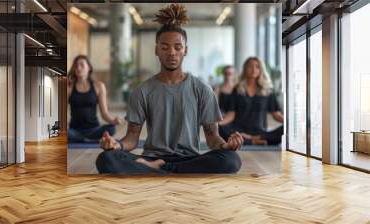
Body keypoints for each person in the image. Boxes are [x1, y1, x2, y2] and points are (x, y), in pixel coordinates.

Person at [95, 4, 244, 174]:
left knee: (231, 160)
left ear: (185, 51)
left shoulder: (203, 89)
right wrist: (117, 145)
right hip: (152, 157)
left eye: (177, 47)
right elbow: (132, 138)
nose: (171, 52)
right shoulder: (142, 91)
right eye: (165, 47)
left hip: (190, 158)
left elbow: (212, 137)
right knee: (106, 159)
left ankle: (157, 171)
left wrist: (225, 146)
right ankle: (170, 171)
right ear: (156, 50)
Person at [219, 57, 284, 145]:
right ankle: (251, 141)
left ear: (261, 70)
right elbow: (231, 115)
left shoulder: (267, 91)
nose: (254, 69)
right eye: (250, 66)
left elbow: (276, 114)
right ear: (245, 69)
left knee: (286, 129)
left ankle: (254, 139)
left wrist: (289, 123)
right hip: (238, 130)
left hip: (260, 132)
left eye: (257, 67)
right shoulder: (237, 89)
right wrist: (217, 124)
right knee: (220, 128)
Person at [67, 55, 123, 143]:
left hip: (94, 130)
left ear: (89, 67)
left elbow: (104, 113)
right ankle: (88, 140)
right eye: (76, 65)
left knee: (111, 129)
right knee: (66, 133)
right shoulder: (69, 87)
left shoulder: (99, 86)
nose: (78, 67)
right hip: (75, 130)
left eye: (82, 65)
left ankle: (84, 140)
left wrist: (113, 120)